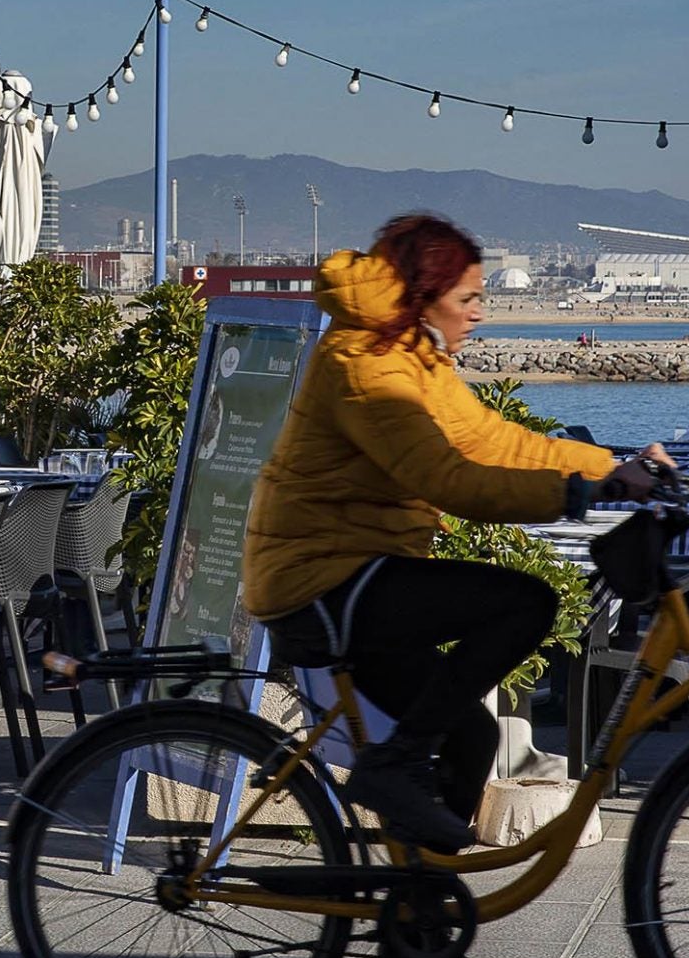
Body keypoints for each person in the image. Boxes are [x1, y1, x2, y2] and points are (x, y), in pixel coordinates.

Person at [245, 213, 667, 856]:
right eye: (468, 299)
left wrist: (609, 465)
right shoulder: (367, 364)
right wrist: (582, 494)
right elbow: (448, 480)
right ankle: (392, 770)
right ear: (424, 295)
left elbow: (488, 439)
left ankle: (419, 927)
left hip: (358, 572)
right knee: (525, 603)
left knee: (471, 737)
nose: (478, 315)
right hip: (321, 580)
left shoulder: (410, 354)